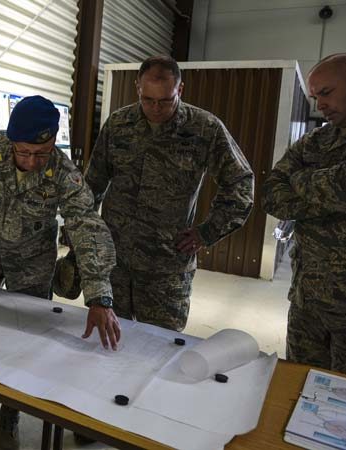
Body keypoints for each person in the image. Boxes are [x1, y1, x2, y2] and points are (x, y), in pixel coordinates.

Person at [0, 95, 121, 450]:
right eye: (23, 152)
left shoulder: (65, 173)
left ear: (53, 140)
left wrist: (99, 295)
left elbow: (86, 226)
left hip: (33, 260)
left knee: (25, 340)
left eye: (41, 153)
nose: (32, 161)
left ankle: (10, 412)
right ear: (11, 139)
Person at [85, 55, 254, 332]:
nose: (155, 108)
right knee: (108, 344)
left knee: (161, 349)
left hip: (166, 268)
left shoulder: (204, 128)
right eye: (148, 99)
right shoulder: (118, 125)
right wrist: (85, 235)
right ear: (138, 87)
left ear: (180, 90)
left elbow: (240, 182)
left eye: (165, 100)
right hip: (114, 262)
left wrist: (207, 231)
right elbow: (93, 184)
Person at [262, 53, 346, 382]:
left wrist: (300, 183)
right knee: (297, 391)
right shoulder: (317, 140)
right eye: (315, 98)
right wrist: (330, 195)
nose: (320, 107)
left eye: (326, 93)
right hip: (307, 304)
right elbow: (271, 192)